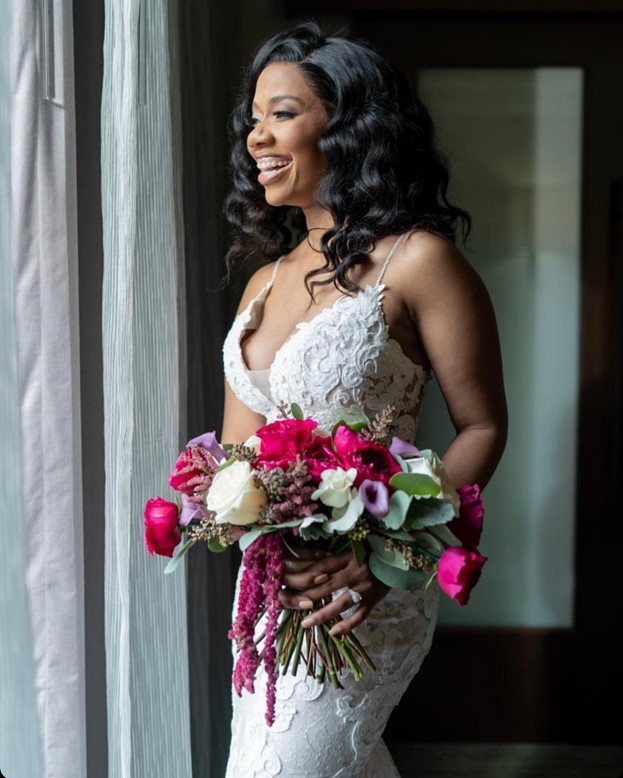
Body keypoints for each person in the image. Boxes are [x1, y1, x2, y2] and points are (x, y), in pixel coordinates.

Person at [220, 21, 507, 778]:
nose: (257, 137)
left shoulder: (419, 263)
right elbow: (240, 459)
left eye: (281, 112)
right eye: (253, 118)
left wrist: (389, 556)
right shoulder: (264, 281)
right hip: (274, 593)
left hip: (365, 588)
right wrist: (221, 503)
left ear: (348, 127)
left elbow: (481, 424)